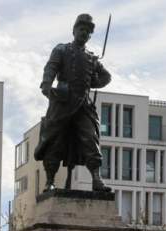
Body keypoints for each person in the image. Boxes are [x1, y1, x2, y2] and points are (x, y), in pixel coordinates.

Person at [34, 13, 112, 192]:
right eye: (81, 29)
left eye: (88, 31)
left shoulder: (91, 58)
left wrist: (91, 82)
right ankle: (50, 181)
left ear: (90, 36)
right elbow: (51, 67)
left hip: (83, 105)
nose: (84, 33)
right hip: (62, 101)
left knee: (90, 139)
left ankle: (96, 179)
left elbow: (106, 77)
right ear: (74, 30)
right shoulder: (61, 50)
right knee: (55, 140)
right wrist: (46, 85)